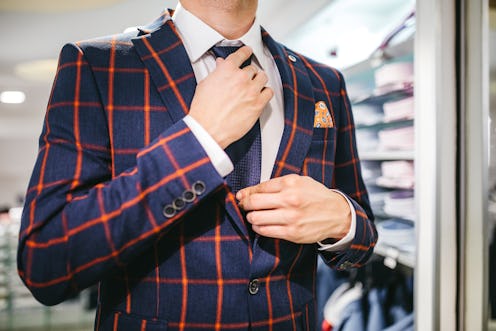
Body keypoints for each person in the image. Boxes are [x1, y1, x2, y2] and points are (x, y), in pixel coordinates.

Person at [17, 0, 377, 330]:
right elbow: (46, 262)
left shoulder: (324, 83)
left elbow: (363, 240)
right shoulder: (98, 65)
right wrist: (200, 140)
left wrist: (342, 219)